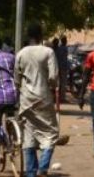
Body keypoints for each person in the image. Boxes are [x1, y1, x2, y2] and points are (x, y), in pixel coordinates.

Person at [15, 23, 59, 177]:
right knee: (51, 133)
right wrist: (52, 86)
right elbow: (53, 77)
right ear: (41, 36)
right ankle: (43, 168)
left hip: (26, 99)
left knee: (29, 136)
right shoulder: (48, 52)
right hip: (43, 97)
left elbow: (17, 79)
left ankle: (31, 173)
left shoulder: (21, 53)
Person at [55, 35, 69, 104]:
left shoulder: (58, 49)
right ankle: (62, 98)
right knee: (63, 83)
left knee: (58, 83)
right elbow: (64, 59)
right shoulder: (64, 48)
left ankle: (57, 97)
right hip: (63, 68)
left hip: (58, 67)